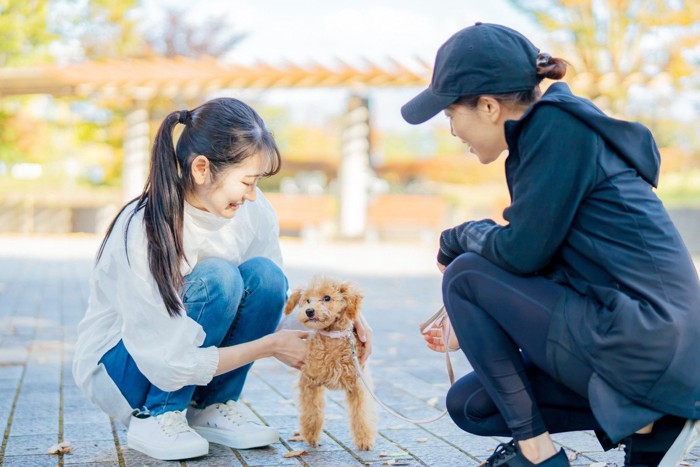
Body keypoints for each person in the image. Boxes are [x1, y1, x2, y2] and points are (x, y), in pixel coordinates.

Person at [405, 22, 700, 467]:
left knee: (465, 272)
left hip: (649, 337)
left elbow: (519, 253)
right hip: (635, 334)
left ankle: (540, 456)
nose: (451, 131)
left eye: (450, 115)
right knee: (473, 405)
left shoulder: (557, 128)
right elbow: (539, 266)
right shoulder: (550, 131)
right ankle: (651, 425)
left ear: (487, 106)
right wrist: (476, 324)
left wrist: (456, 238)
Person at [72, 97, 373, 461]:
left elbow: (278, 309)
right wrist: (269, 346)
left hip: (179, 361)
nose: (251, 195)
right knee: (219, 278)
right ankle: (158, 414)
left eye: (257, 182)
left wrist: (339, 323)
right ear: (201, 168)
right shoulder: (143, 228)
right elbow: (164, 358)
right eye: (247, 181)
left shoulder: (254, 209)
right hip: (126, 368)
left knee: (267, 277)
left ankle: (211, 407)